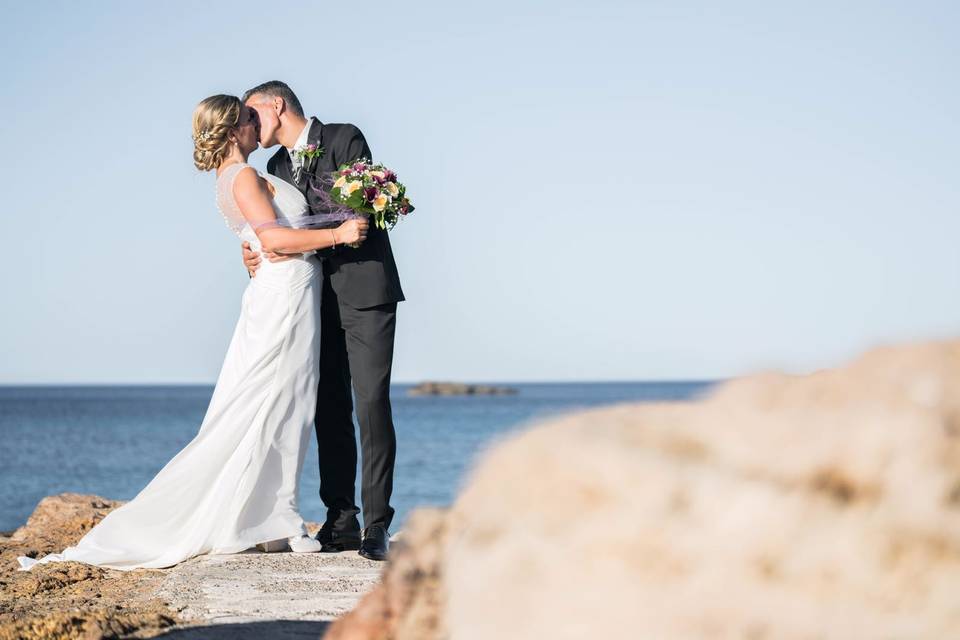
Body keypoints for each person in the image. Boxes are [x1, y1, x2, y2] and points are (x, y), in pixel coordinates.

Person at [17, 95, 369, 571]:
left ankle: (263, 517)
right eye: (247, 119)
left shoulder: (237, 178)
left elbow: (262, 238)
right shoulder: (243, 176)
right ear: (232, 133)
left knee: (285, 402)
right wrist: (339, 235)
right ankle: (280, 518)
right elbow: (274, 240)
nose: (254, 123)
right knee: (278, 402)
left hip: (286, 292)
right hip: (283, 298)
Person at [242, 81, 404, 561]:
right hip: (310, 296)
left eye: (252, 114)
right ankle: (342, 519)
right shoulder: (271, 168)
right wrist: (256, 247)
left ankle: (378, 525)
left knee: (371, 403)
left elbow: (356, 215)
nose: (248, 126)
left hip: (366, 290)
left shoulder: (344, 138)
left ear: (277, 105)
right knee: (328, 408)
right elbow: (269, 227)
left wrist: (281, 237)